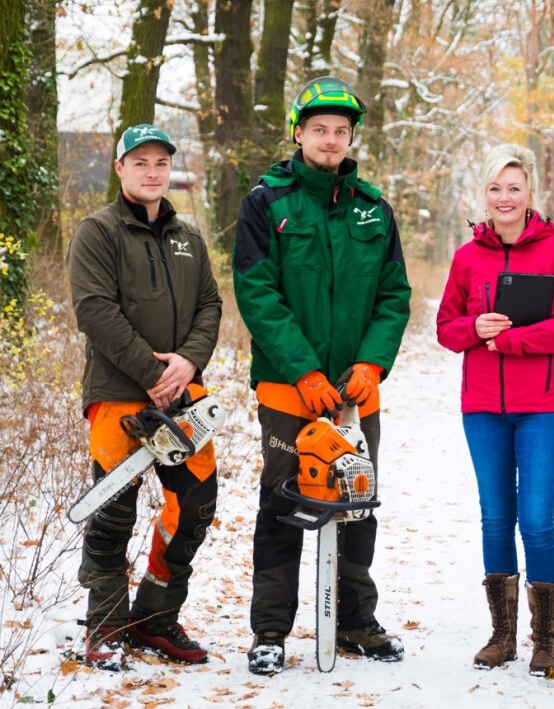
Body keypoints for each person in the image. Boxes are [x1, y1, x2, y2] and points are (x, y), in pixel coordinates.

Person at [232, 76, 412, 675]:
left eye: (341, 130)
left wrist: (371, 363)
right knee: (283, 502)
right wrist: (304, 369)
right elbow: (257, 294)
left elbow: (394, 295)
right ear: (299, 133)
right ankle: (270, 631)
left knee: (357, 502)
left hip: (356, 396)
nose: (330, 139)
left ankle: (356, 622)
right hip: (290, 389)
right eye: (319, 129)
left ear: (351, 136)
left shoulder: (373, 207)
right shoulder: (267, 202)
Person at [435, 143, 554, 676]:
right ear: (483, 196)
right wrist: (472, 329)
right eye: (495, 188)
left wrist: (516, 340)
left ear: (530, 195)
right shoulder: (467, 258)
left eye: (514, 188)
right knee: (495, 519)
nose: (504, 198)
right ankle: (502, 636)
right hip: (482, 408)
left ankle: (544, 640)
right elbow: (444, 328)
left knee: (536, 521)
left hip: (543, 409)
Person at [67, 124, 223, 670]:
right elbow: (94, 311)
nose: (152, 171)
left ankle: (155, 617)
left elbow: (210, 305)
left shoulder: (188, 236)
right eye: (141, 162)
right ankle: (106, 628)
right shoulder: (98, 231)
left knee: (196, 504)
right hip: (117, 395)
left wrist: (188, 363)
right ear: (120, 169)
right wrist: (149, 373)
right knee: (113, 514)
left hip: (185, 395)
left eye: (161, 162)